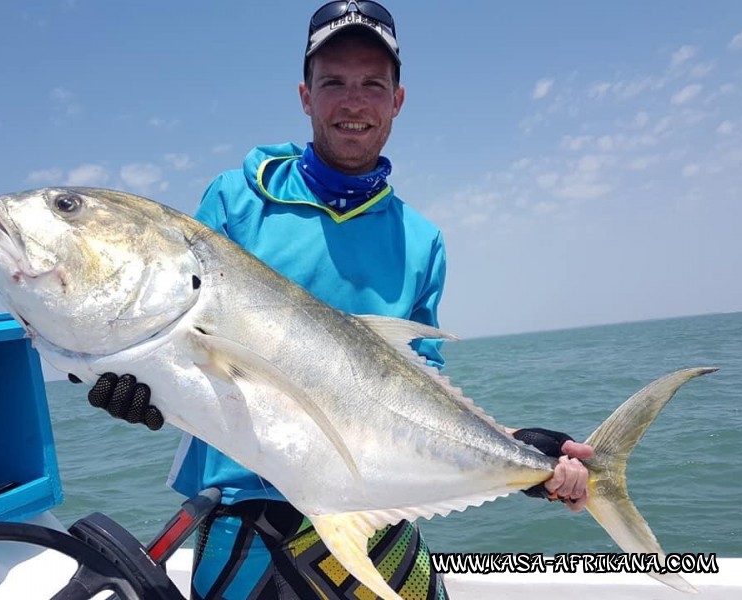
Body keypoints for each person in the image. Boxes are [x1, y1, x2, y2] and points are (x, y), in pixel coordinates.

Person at [85, 2, 593, 598]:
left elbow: (412, 386)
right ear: (306, 95)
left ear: (397, 100)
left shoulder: (421, 240)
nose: (354, 102)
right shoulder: (236, 202)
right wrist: (133, 374)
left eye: (372, 84)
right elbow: (178, 336)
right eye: (334, 83)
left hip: (374, 510)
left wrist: (518, 456)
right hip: (246, 512)